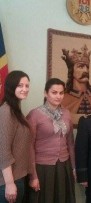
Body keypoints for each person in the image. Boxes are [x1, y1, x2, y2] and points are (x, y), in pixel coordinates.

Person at [27, 78, 76, 203]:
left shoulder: (67, 113)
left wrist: (74, 168)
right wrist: (33, 175)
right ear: (45, 93)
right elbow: (29, 146)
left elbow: (70, 143)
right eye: (54, 92)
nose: (58, 96)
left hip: (63, 165)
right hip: (42, 167)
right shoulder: (34, 114)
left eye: (61, 93)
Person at [0, 70, 32, 203]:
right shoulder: (6, 111)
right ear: (10, 87)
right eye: (20, 85)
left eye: (27, 85)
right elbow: (3, 150)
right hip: (7, 181)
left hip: (18, 177)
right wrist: (9, 183)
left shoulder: (16, 111)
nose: (24, 89)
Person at [61, 44, 91, 125]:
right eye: (81, 67)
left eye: (87, 67)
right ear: (72, 71)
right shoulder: (63, 99)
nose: (86, 71)